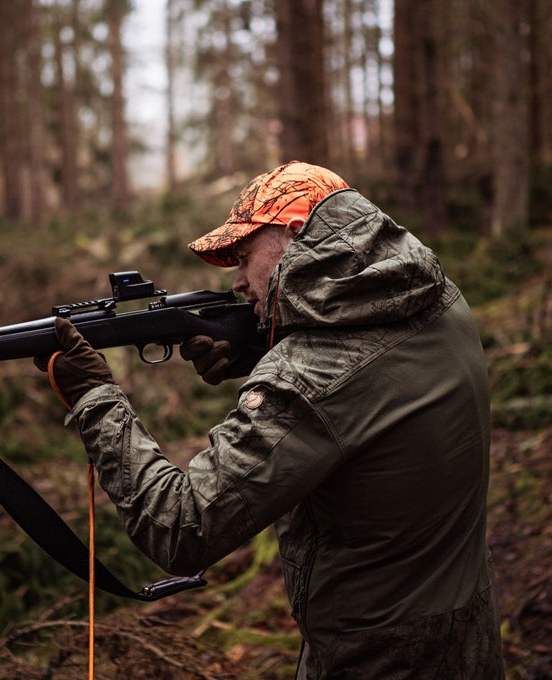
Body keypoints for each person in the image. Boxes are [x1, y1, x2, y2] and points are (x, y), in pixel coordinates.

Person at [36, 161, 504, 679]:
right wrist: (260, 348)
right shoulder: (435, 295)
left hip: (376, 659)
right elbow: (374, 375)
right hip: (467, 633)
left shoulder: (310, 376)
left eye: (243, 256)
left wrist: (97, 399)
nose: (237, 282)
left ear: (296, 233)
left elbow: (181, 529)